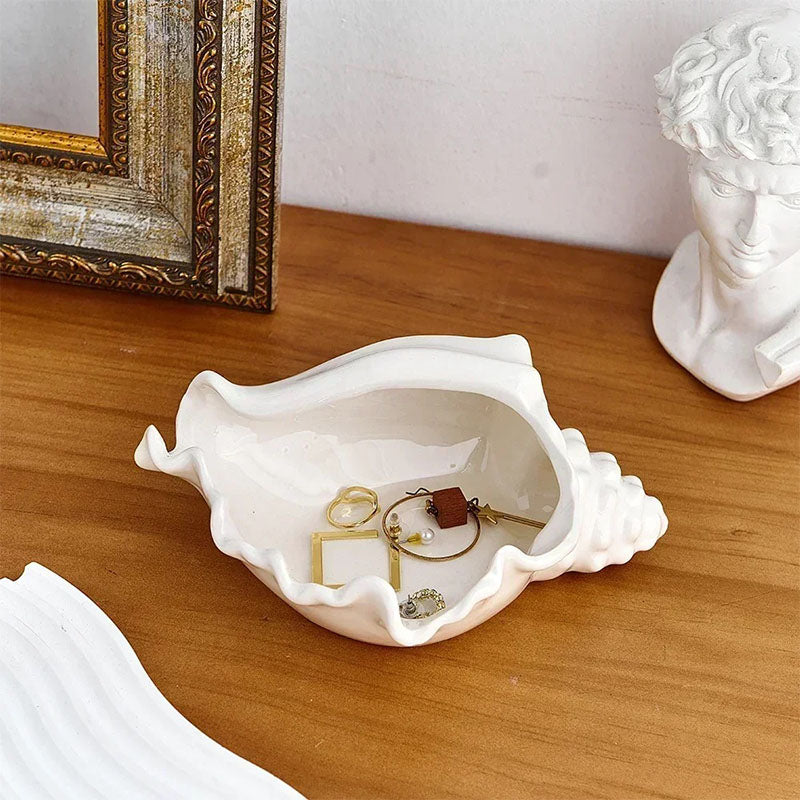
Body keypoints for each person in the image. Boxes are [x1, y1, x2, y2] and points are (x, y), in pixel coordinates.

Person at [653, 7, 800, 401]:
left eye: (793, 200)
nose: (753, 231)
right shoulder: (683, 276)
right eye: (725, 188)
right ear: (690, 164)